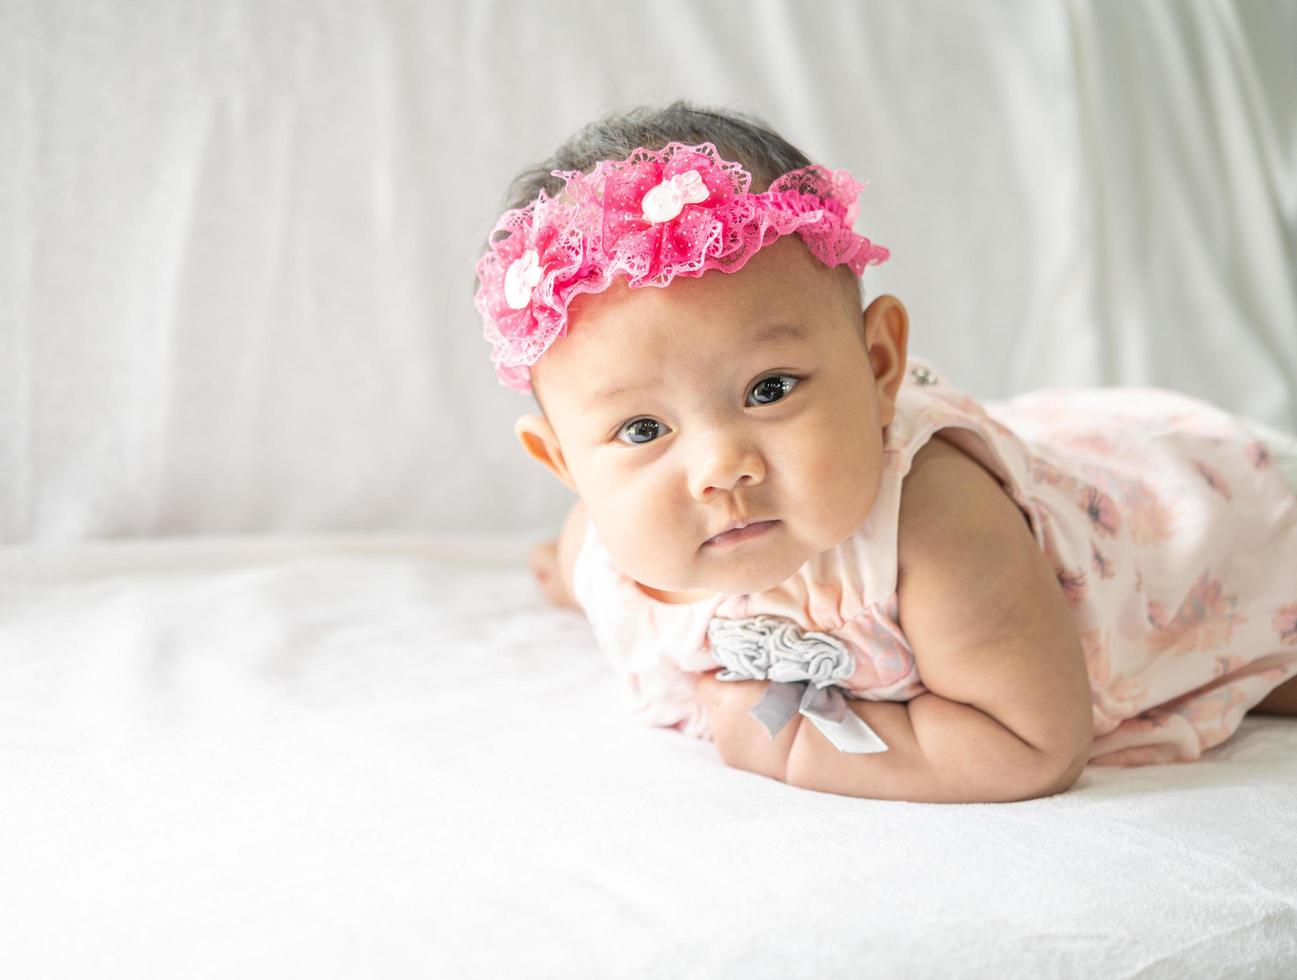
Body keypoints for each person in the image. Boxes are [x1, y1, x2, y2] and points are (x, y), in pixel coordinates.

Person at [473, 100, 1297, 803]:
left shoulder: (939, 535)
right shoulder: (609, 547)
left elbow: (1033, 744)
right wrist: (565, 570)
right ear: (567, 465)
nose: (721, 467)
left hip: (1203, 521)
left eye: (769, 389)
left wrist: (793, 746)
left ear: (876, 367)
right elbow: (592, 545)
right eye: (643, 431)